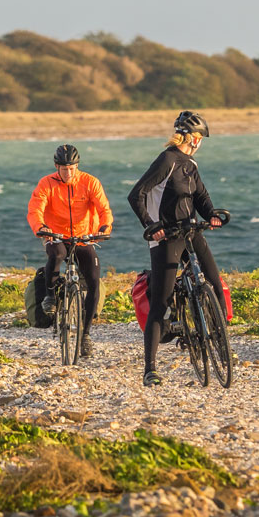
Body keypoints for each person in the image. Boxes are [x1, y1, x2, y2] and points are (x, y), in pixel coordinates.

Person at [127, 111, 226, 387]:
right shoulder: (167, 160)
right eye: (200, 138)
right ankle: (150, 369)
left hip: (190, 230)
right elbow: (137, 194)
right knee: (160, 302)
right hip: (166, 236)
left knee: (215, 283)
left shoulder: (190, 164)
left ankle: (221, 344)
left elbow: (201, 197)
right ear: (193, 139)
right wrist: (151, 224)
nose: (200, 143)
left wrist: (212, 215)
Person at [26, 143, 112, 357]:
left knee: (93, 280)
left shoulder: (90, 182)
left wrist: (104, 227)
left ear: (77, 166)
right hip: (55, 235)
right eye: (64, 168)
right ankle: (50, 297)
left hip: (83, 237)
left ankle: (85, 336)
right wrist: (41, 228)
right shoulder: (46, 183)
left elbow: (104, 209)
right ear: (57, 166)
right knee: (57, 255)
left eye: (72, 168)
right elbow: (36, 209)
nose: (69, 172)